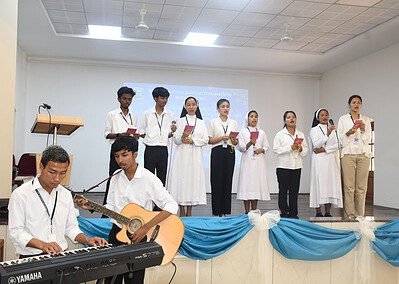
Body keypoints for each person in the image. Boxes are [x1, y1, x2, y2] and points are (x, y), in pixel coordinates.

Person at [78, 136, 178, 284]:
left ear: (135, 154)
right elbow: (111, 207)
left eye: (124, 155)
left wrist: (145, 227)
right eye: (117, 156)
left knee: (135, 280)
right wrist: (91, 207)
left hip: (139, 236)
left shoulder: (148, 178)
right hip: (116, 234)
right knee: (112, 280)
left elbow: (171, 205)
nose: (120, 160)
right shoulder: (115, 178)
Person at [8, 145, 107, 258]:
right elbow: (16, 231)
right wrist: (42, 245)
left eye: (62, 173)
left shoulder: (65, 194)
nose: (57, 178)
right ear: (41, 166)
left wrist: (88, 239)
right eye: (52, 172)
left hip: (60, 254)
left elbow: (71, 227)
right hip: (32, 257)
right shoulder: (21, 194)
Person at [167, 97, 208, 217]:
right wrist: (182, 137)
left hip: (195, 157)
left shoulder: (201, 122)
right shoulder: (179, 121)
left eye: (193, 104)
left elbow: (205, 140)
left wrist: (192, 140)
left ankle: (189, 211)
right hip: (182, 156)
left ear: (197, 106)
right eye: (188, 105)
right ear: (185, 107)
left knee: (192, 182)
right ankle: (182, 210)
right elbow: (175, 140)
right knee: (181, 181)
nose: (191, 107)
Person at [337, 95, 372, 218]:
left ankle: (360, 215)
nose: (356, 105)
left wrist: (363, 130)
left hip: (364, 155)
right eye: (353, 102)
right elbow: (341, 141)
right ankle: (350, 215)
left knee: (361, 187)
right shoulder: (343, 119)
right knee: (349, 186)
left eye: (358, 103)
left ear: (361, 105)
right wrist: (348, 133)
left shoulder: (366, 120)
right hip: (348, 154)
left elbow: (367, 139)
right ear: (349, 105)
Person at [104, 86, 138, 205]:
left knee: (129, 178)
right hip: (117, 149)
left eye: (129, 99)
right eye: (124, 99)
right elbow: (107, 134)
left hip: (129, 150)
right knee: (113, 177)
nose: (127, 101)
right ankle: (107, 207)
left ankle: (126, 205)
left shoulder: (134, 115)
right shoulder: (112, 114)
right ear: (119, 99)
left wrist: (135, 135)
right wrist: (120, 135)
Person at [273, 111, 308, 219]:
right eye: (288, 117)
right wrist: (290, 148)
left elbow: (306, 150)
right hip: (283, 166)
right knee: (283, 191)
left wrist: (301, 148)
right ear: (284, 120)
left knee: (294, 191)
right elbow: (276, 149)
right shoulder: (280, 134)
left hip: (296, 166)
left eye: (293, 117)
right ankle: (284, 213)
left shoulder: (300, 134)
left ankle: (293, 213)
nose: (291, 119)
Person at [139, 87, 176, 186]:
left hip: (163, 149)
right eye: (162, 98)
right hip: (150, 148)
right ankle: (147, 200)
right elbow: (141, 130)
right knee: (148, 177)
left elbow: (169, 133)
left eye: (166, 98)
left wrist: (172, 132)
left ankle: (159, 200)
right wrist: (149, 136)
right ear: (155, 98)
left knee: (162, 177)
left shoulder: (170, 114)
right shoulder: (147, 113)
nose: (165, 101)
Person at [309, 108, 343, 217]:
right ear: (317, 117)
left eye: (326, 115)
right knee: (318, 184)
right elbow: (316, 144)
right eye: (322, 115)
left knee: (330, 183)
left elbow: (339, 144)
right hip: (319, 161)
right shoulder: (314, 130)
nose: (325, 117)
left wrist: (325, 149)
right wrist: (327, 134)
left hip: (331, 160)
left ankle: (328, 212)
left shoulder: (334, 129)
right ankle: (318, 211)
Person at [208, 98, 238, 217]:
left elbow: (235, 143)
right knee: (216, 181)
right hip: (217, 151)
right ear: (218, 109)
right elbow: (209, 140)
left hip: (230, 151)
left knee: (227, 181)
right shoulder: (213, 122)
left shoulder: (233, 123)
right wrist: (221, 138)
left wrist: (234, 139)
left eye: (227, 106)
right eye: (223, 106)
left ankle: (225, 211)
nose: (225, 109)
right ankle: (216, 211)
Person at [236, 110, 270, 214]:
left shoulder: (262, 132)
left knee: (256, 184)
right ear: (247, 119)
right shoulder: (243, 132)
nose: (254, 118)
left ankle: (254, 210)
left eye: (256, 116)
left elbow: (266, 146)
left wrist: (262, 150)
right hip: (247, 161)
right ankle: (246, 211)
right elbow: (241, 148)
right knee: (246, 184)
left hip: (258, 161)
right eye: (251, 116)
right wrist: (250, 142)